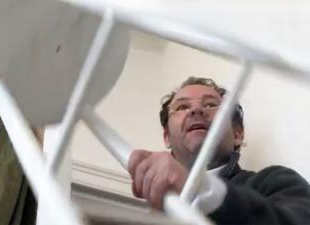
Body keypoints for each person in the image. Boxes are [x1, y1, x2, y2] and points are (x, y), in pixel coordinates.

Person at [127, 77, 310, 224]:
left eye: (211, 104)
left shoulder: (275, 181)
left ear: (238, 133)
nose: (196, 110)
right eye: (182, 107)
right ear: (166, 137)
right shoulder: (152, 210)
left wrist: (204, 192)